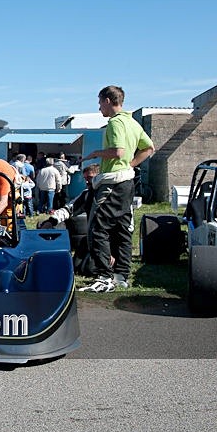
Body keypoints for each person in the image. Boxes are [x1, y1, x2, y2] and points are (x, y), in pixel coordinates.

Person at [79, 85, 155, 292]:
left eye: (99, 102)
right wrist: (131, 165)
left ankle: (104, 277)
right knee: (122, 229)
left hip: (112, 182)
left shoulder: (115, 122)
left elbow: (118, 151)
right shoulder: (132, 122)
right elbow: (149, 148)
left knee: (97, 228)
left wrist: (96, 153)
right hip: (127, 182)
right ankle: (121, 276)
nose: (99, 108)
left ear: (107, 100)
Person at [40, 163, 102, 275]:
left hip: (108, 240)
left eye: (90, 178)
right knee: (75, 267)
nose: (87, 181)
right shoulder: (86, 194)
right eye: (85, 178)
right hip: (92, 238)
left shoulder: (110, 195)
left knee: (91, 270)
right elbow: (68, 209)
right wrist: (51, 221)